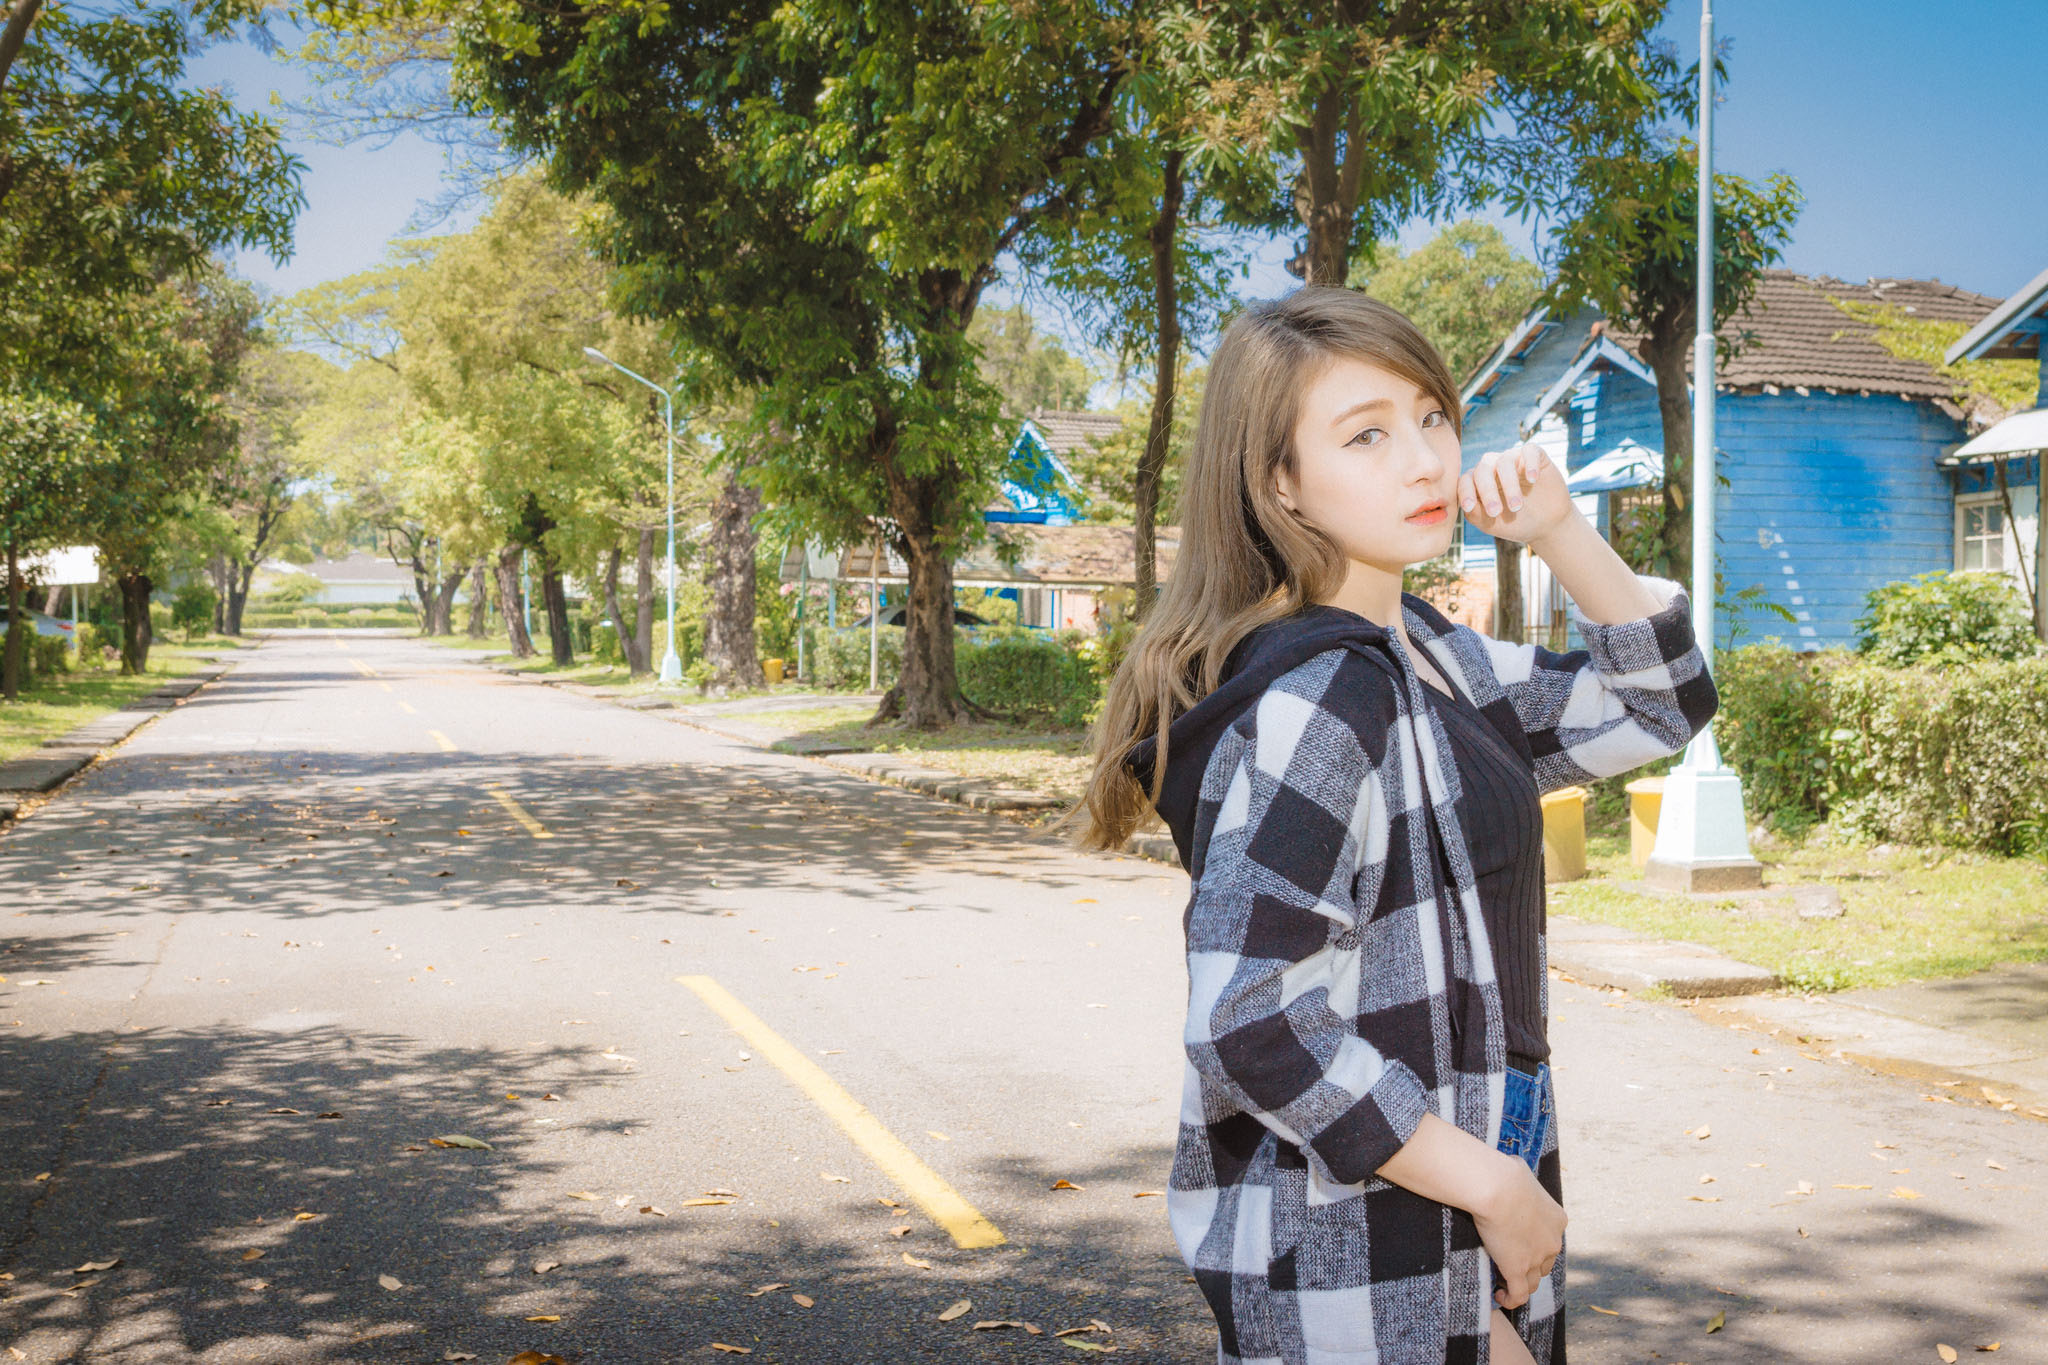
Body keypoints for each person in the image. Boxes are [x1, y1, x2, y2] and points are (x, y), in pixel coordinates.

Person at [1074, 287, 1716, 1365]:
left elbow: (1660, 705)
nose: (1422, 462)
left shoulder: (1432, 658)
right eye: (1364, 435)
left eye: (1429, 418)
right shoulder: (1316, 703)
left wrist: (1558, 530)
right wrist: (1490, 1185)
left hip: (1450, 1200)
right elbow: (1249, 1020)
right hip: (1359, 1246)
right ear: (1279, 480)